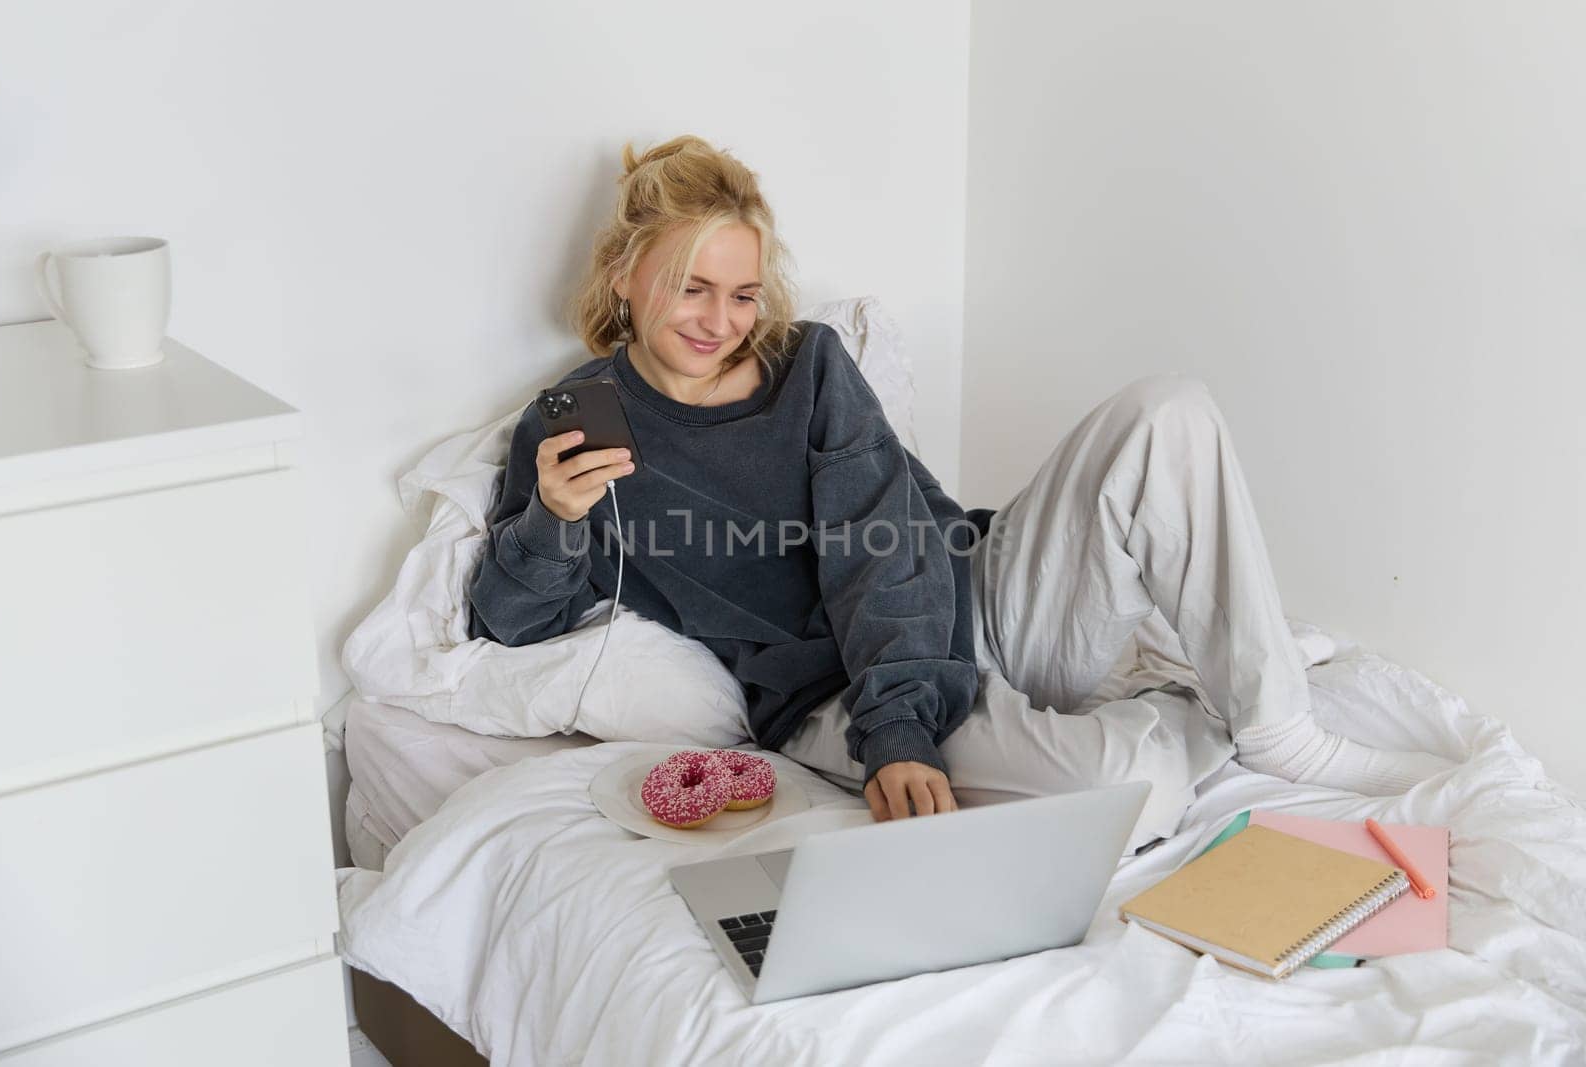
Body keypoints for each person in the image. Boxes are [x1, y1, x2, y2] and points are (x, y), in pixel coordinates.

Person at [468, 135, 1454, 844]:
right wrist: (553, 521)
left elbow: (879, 544)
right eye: (690, 286)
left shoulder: (808, 364)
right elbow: (506, 621)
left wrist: (903, 720)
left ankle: (1275, 724)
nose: (719, 319)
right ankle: (1195, 696)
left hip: (977, 594)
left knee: (1169, 410)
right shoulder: (574, 419)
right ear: (629, 271)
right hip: (838, 693)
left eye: (739, 291)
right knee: (1132, 790)